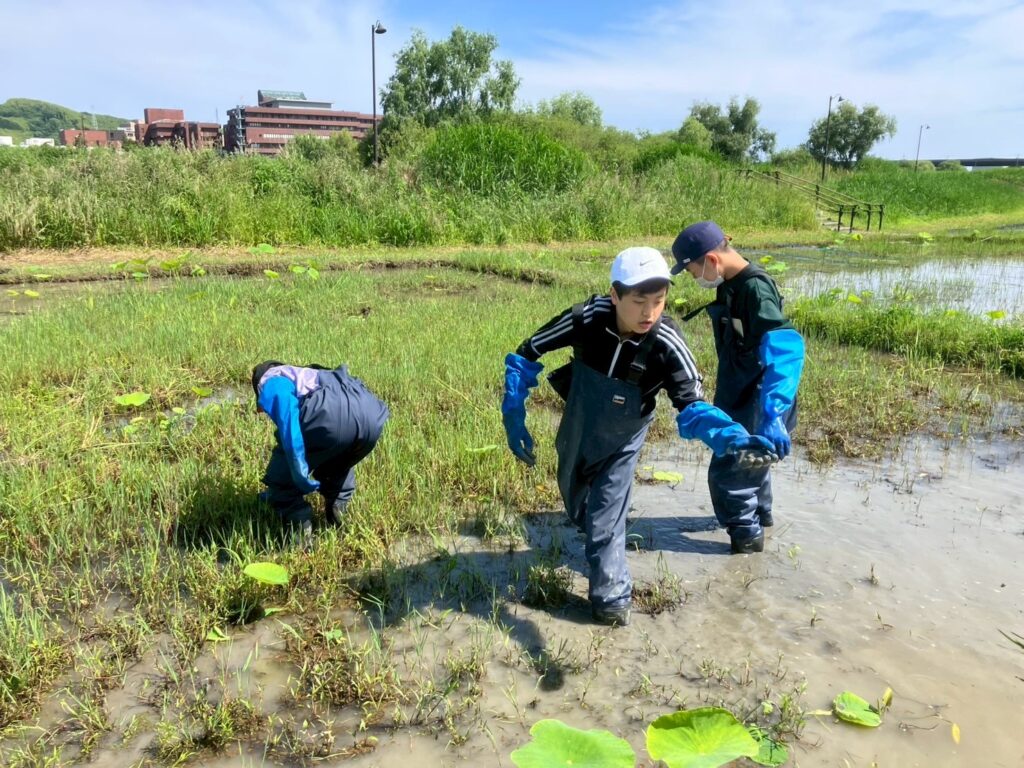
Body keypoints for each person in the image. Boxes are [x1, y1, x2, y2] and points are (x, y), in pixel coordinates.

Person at [501, 247, 777, 626]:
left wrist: (730, 437)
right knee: (577, 502)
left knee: (605, 514)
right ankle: (598, 542)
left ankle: (611, 601)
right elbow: (527, 352)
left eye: (659, 301)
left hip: (625, 434)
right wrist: (513, 412)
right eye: (638, 301)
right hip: (579, 426)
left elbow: (692, 407)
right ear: (615, 295)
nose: (649, 313)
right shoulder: (586, 318)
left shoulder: (666, 343)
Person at [669, 221, 805, 554]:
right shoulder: (729, 285)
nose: (694, 278)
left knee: (730, 470)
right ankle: (760, 519)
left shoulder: (754, 289)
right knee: (754, 466)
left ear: (712, 261)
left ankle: (746, 546)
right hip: (739, 392)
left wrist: (774, 411)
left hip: (760, 399)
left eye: (691, 271)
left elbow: (786, 348)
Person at [252, 361, 389, 541]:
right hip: (372, 414)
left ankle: (300, 531)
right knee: (336, 464)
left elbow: (289, 424)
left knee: (282, 477)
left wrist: (297, 471)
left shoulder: (272, 379)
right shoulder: (308, 374)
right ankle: (338, 510)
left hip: (330, 415)